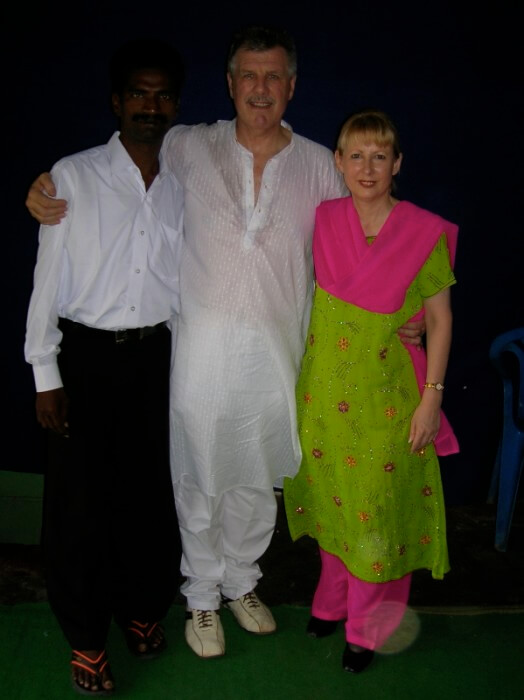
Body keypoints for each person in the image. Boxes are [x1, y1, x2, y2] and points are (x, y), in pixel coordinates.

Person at [25, 27, 423, 661]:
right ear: (231, 84)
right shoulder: (187, 144)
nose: (261, 89)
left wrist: (407, 307)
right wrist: (46, 188)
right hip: (197, 358)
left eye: (274, 77)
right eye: (249, 76)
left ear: (292, 86)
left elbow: (373, 224)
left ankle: (241, 581)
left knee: (257, 480)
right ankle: (202, 594)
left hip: (278, 357)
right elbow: (124, 157)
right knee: (196, 480)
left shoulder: (322, 166)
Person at [24, 40, 184, 694]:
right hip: (85, 358)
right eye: (138, 93)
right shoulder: (72, 176)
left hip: (155, 359)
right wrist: (46, 374)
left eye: (162, 94)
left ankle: (141, 607)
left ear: (175, 104)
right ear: (117, 102)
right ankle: (86, 636)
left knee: (147, 498)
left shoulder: (180, 185)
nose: (151, 105)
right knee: (79, 506)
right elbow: (46, 280)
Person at [284, 109, 459, 674]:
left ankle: (367, 626)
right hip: (322, 398)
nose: (367, 168)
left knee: (375, 514)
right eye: (355, 155)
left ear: (397, 163)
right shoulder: (323, 219)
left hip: (388, 400)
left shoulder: (421, 232)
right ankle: (331, 601)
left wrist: (432, 396)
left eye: (379, 156)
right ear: (338, 162)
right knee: (335, 503)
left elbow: (440, 319)